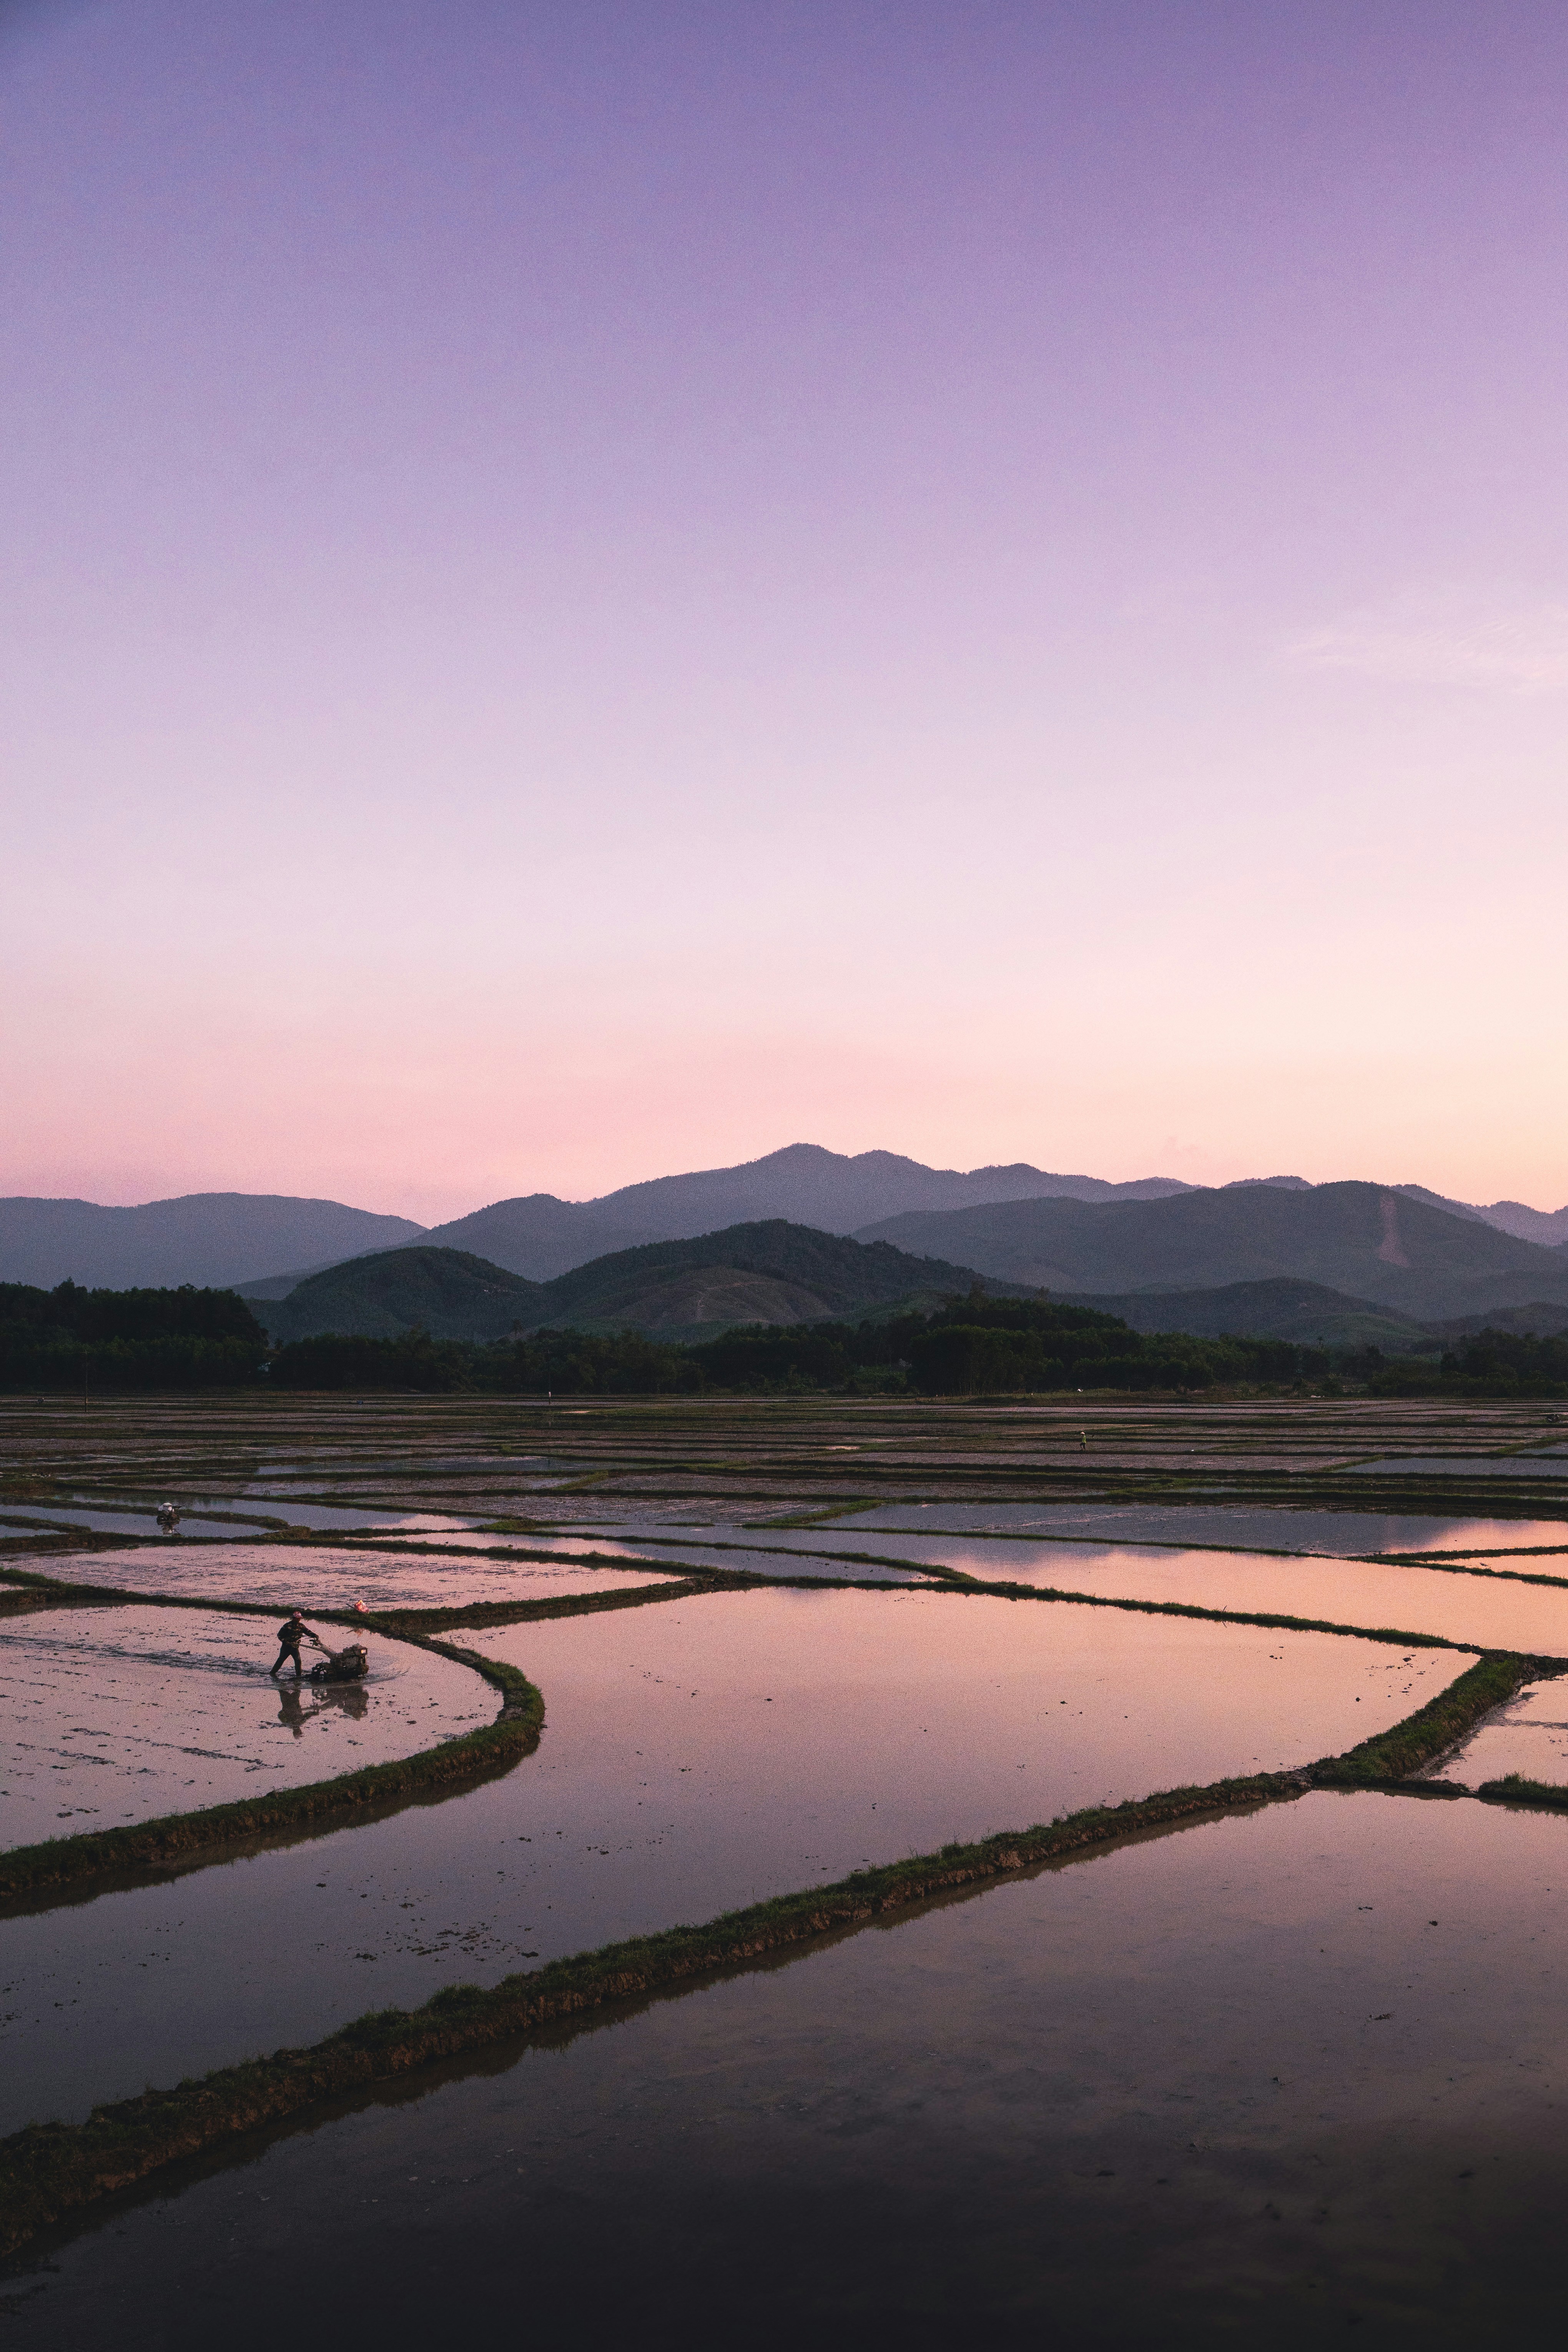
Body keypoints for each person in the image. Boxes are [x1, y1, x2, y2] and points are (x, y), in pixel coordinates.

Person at [269, 1609, 321, 1679]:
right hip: (286, 1647)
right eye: (297, 1619)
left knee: (298, 1660)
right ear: (294, 1618)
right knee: (281, 1660)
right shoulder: (287, 1626)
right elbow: (280, 1636)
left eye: (300, 1619)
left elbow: (308, 1632)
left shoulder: (301, 1626)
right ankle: (272, 1673)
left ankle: (299, 1675)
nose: (299, 1620)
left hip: (295, 1647)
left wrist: (314, 1635)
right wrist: (287, 1642)